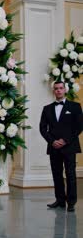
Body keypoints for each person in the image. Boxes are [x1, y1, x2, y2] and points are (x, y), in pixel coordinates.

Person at [39, 81, 82, 212]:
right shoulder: (47, 108)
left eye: (61, 88)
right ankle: (60, 200)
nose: (58, 90)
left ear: (65, 90)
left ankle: (71, 202)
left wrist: (65, 140)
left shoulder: (75, 106)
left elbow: (79, 126)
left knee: (70, 174)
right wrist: (52, 141)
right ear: (53, 91)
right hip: (54, 147)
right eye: (56, 88)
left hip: (69, 146)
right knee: (56, 174)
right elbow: (42, 128)